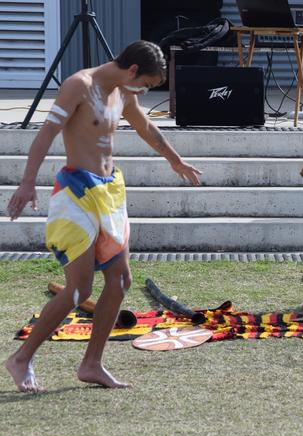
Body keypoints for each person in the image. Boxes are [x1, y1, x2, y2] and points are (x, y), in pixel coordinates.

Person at [4, 40, 202, 392]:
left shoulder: (123, 92)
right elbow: (46, 133)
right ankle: (21, 358)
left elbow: (145, 128)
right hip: (76, 194)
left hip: (109, 192)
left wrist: (175, 159)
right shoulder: (79, 86)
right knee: (79, 290)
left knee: (121, 281)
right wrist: (27, 183)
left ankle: (92, 364)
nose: (145, 91)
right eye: (148, 84)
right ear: (132, 71)